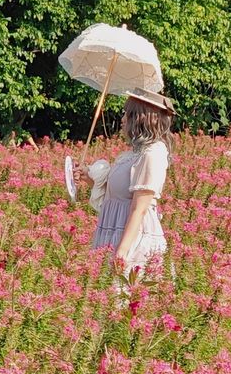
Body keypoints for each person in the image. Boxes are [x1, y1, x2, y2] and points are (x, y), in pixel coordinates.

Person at [74, 87, 175, 275]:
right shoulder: (131, 155)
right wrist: (88, 178)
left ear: (141, 119)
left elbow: (140, 208)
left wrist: (122, 252)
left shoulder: (153, 154)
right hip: (113, 231)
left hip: (132, 240)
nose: (122, 119)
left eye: (127, 114)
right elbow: (115, 197)